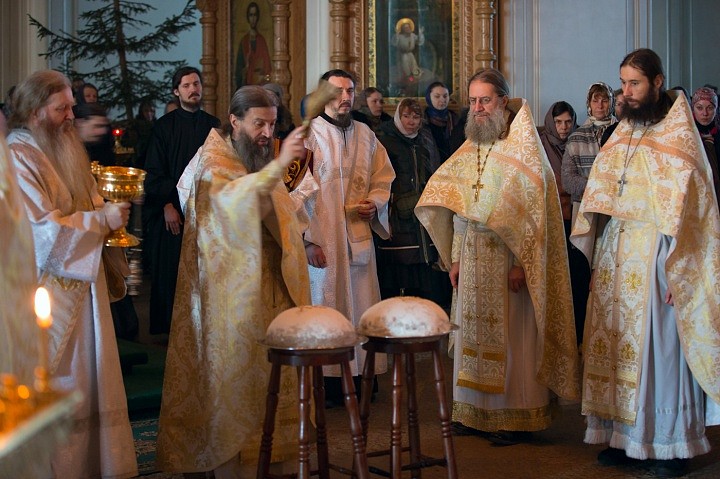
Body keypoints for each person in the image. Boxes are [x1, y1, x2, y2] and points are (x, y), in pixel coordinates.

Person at [571, 48, 720, 478]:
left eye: (634, 83)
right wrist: (597, 258)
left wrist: (682, 269)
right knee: (616, 350)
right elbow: (604, 197)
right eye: (623, 84)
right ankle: (623, 438)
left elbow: (696, 212)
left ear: (657, 82)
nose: (626, 92)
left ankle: (670, 447)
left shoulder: (680, 136)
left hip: (661, 257)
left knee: (659, 356)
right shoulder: (623, 132)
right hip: (617, 252)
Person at [415, 68, 580, 446]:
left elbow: (535, 214)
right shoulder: (471, 146)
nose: (477, 108)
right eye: (473, 101)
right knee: (471, 333)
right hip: (473, 255)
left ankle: (514, 416)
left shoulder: (525, 150)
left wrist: (523, 262)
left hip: (509, 261)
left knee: (513, 340)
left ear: (503, 101)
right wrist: (456, 257)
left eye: (485, 100)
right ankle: (472, 412)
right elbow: (458, 207)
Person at [157, 86, 310, 478]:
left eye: (272, 124)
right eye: (259, 124)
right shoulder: (214, 160)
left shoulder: (256, 157)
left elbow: (281, 209)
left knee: (270, 379)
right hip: (227, 298)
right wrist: (278, 168)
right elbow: (233, 206)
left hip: (269, 289)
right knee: (234, 383)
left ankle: (272, 463)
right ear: (235, 120)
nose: (267, 133)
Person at [6, 69, 137, 478]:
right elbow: (40, 232)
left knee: (91, 380)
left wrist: (108, 211)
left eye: (71, 107)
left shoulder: (63, 146)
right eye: (61, 108)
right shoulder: (17, 156)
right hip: (44, 291)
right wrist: (101, 221)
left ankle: (94, 466)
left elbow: (86, 196)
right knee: (62, 378)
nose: (69, 116)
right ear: (34, 111)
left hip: (84, 284)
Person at [291, 69, 395, 406]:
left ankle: (362, 378)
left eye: (350, 90)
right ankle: (327, 384)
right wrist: (307, 241)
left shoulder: (366, 134)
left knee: (362, 308)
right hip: (323, 241)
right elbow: (292, 192)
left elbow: (383, 177)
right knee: (326, 308)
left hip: (358, 239)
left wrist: (375, 203)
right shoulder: (306, 136)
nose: (345, 97)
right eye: (337, 91)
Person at [143, 66, 220, 335]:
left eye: (196, 84)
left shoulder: (214, 126)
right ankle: (169, 333)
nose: (193, 89)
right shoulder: (163, 127)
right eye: (186, 85)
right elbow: (154, 173)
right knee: (171, 275)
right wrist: (166, 205)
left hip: (206, 214)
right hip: (173, 213)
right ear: (176, 91)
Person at [375, 97, 449, 306]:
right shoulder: (385, 140)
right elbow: (381, 179)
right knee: (400, 270)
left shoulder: (425, 139)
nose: (411, 121)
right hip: (397, 214)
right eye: (406, 116)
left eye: (416, 117)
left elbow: (434, 170)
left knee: (424, 272)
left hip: (424, 211)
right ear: (398, 117)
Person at [561, 82, 615, 345]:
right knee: (582, 274)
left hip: (612, 212)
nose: (600, 105)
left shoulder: (620, 133)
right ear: (589, 104)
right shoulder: (576, 137)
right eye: (596, 100)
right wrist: (597, 187)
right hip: (583, 212)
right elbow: (567, 180)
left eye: (604, 100)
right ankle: (581, 337)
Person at [691, 86, 720, 205]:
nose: (705, 113)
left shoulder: (718, 134)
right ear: (693, 109)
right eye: (699, 108)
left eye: (710, 108)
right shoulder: (686, 134)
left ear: (716, 109)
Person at [235, 1, 271, 88]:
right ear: (248, 17)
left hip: (261, 87)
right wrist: (245, 70)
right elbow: (238, 72)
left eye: (255, 15)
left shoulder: (262, 40)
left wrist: (262, 76)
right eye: (251, 15)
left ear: (258, 17)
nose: (253, 19)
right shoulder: (244, 41)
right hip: (247, 88)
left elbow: (267, 67)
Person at [423, 81, 459, 161]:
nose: (442, 100)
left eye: (445, 96)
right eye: (437, 96)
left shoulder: (455, 119)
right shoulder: (423, 120)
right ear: (429, 98)